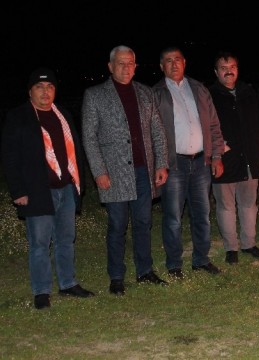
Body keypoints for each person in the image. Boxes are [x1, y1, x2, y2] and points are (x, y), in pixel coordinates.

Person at [2, 68, 95, 309]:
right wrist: (18, 191)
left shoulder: (62, 113)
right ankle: (41, 291)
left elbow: (75, 149)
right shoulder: (18, 116)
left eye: (50, 87)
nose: (45, 92)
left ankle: (67, 283)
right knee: (40, 243)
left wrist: (79, 184)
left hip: (66, 188)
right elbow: (10, 158)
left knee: (66, 239)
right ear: (30, 91)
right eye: (39, 87)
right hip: (37, 191)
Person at [82, 45, 169, 295]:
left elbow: (157, 130)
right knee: (118, 225)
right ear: (110, 67)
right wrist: (99, 171)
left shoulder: (145, 93)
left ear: (135, 66)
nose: (126, 67)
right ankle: (117, 277)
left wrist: (161, 163)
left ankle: (145, 271)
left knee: (143, 222)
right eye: (120, 63)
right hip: (114, 172)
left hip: (143, 170)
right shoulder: (95, 95)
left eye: (130, 63)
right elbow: (89, 137)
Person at [152, 46, 226, 278]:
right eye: (168, 60)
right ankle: (174, 265)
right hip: (174, 165)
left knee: (202, 214)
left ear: (185, 62)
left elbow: (214, 125)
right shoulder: (156, 93)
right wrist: (160, 163)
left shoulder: (199, 88)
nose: (173, 64)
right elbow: (152, 133)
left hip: (201, 162)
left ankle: (201, 260)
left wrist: (216, 156)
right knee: (173, 217)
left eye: (177, 59)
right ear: (161, 66)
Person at [208, 51, 259, 264]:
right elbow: (204, 128)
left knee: (249, 204)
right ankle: (231, 248)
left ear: (237, 69)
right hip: (223, 161)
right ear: (216, 72)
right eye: (223, 68)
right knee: (225, 206)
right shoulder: (209, 96)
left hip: (250, 159)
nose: (228, 71)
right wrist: (214, 153)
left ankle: (249, 244)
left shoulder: (249, 92)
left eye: (232, 67)